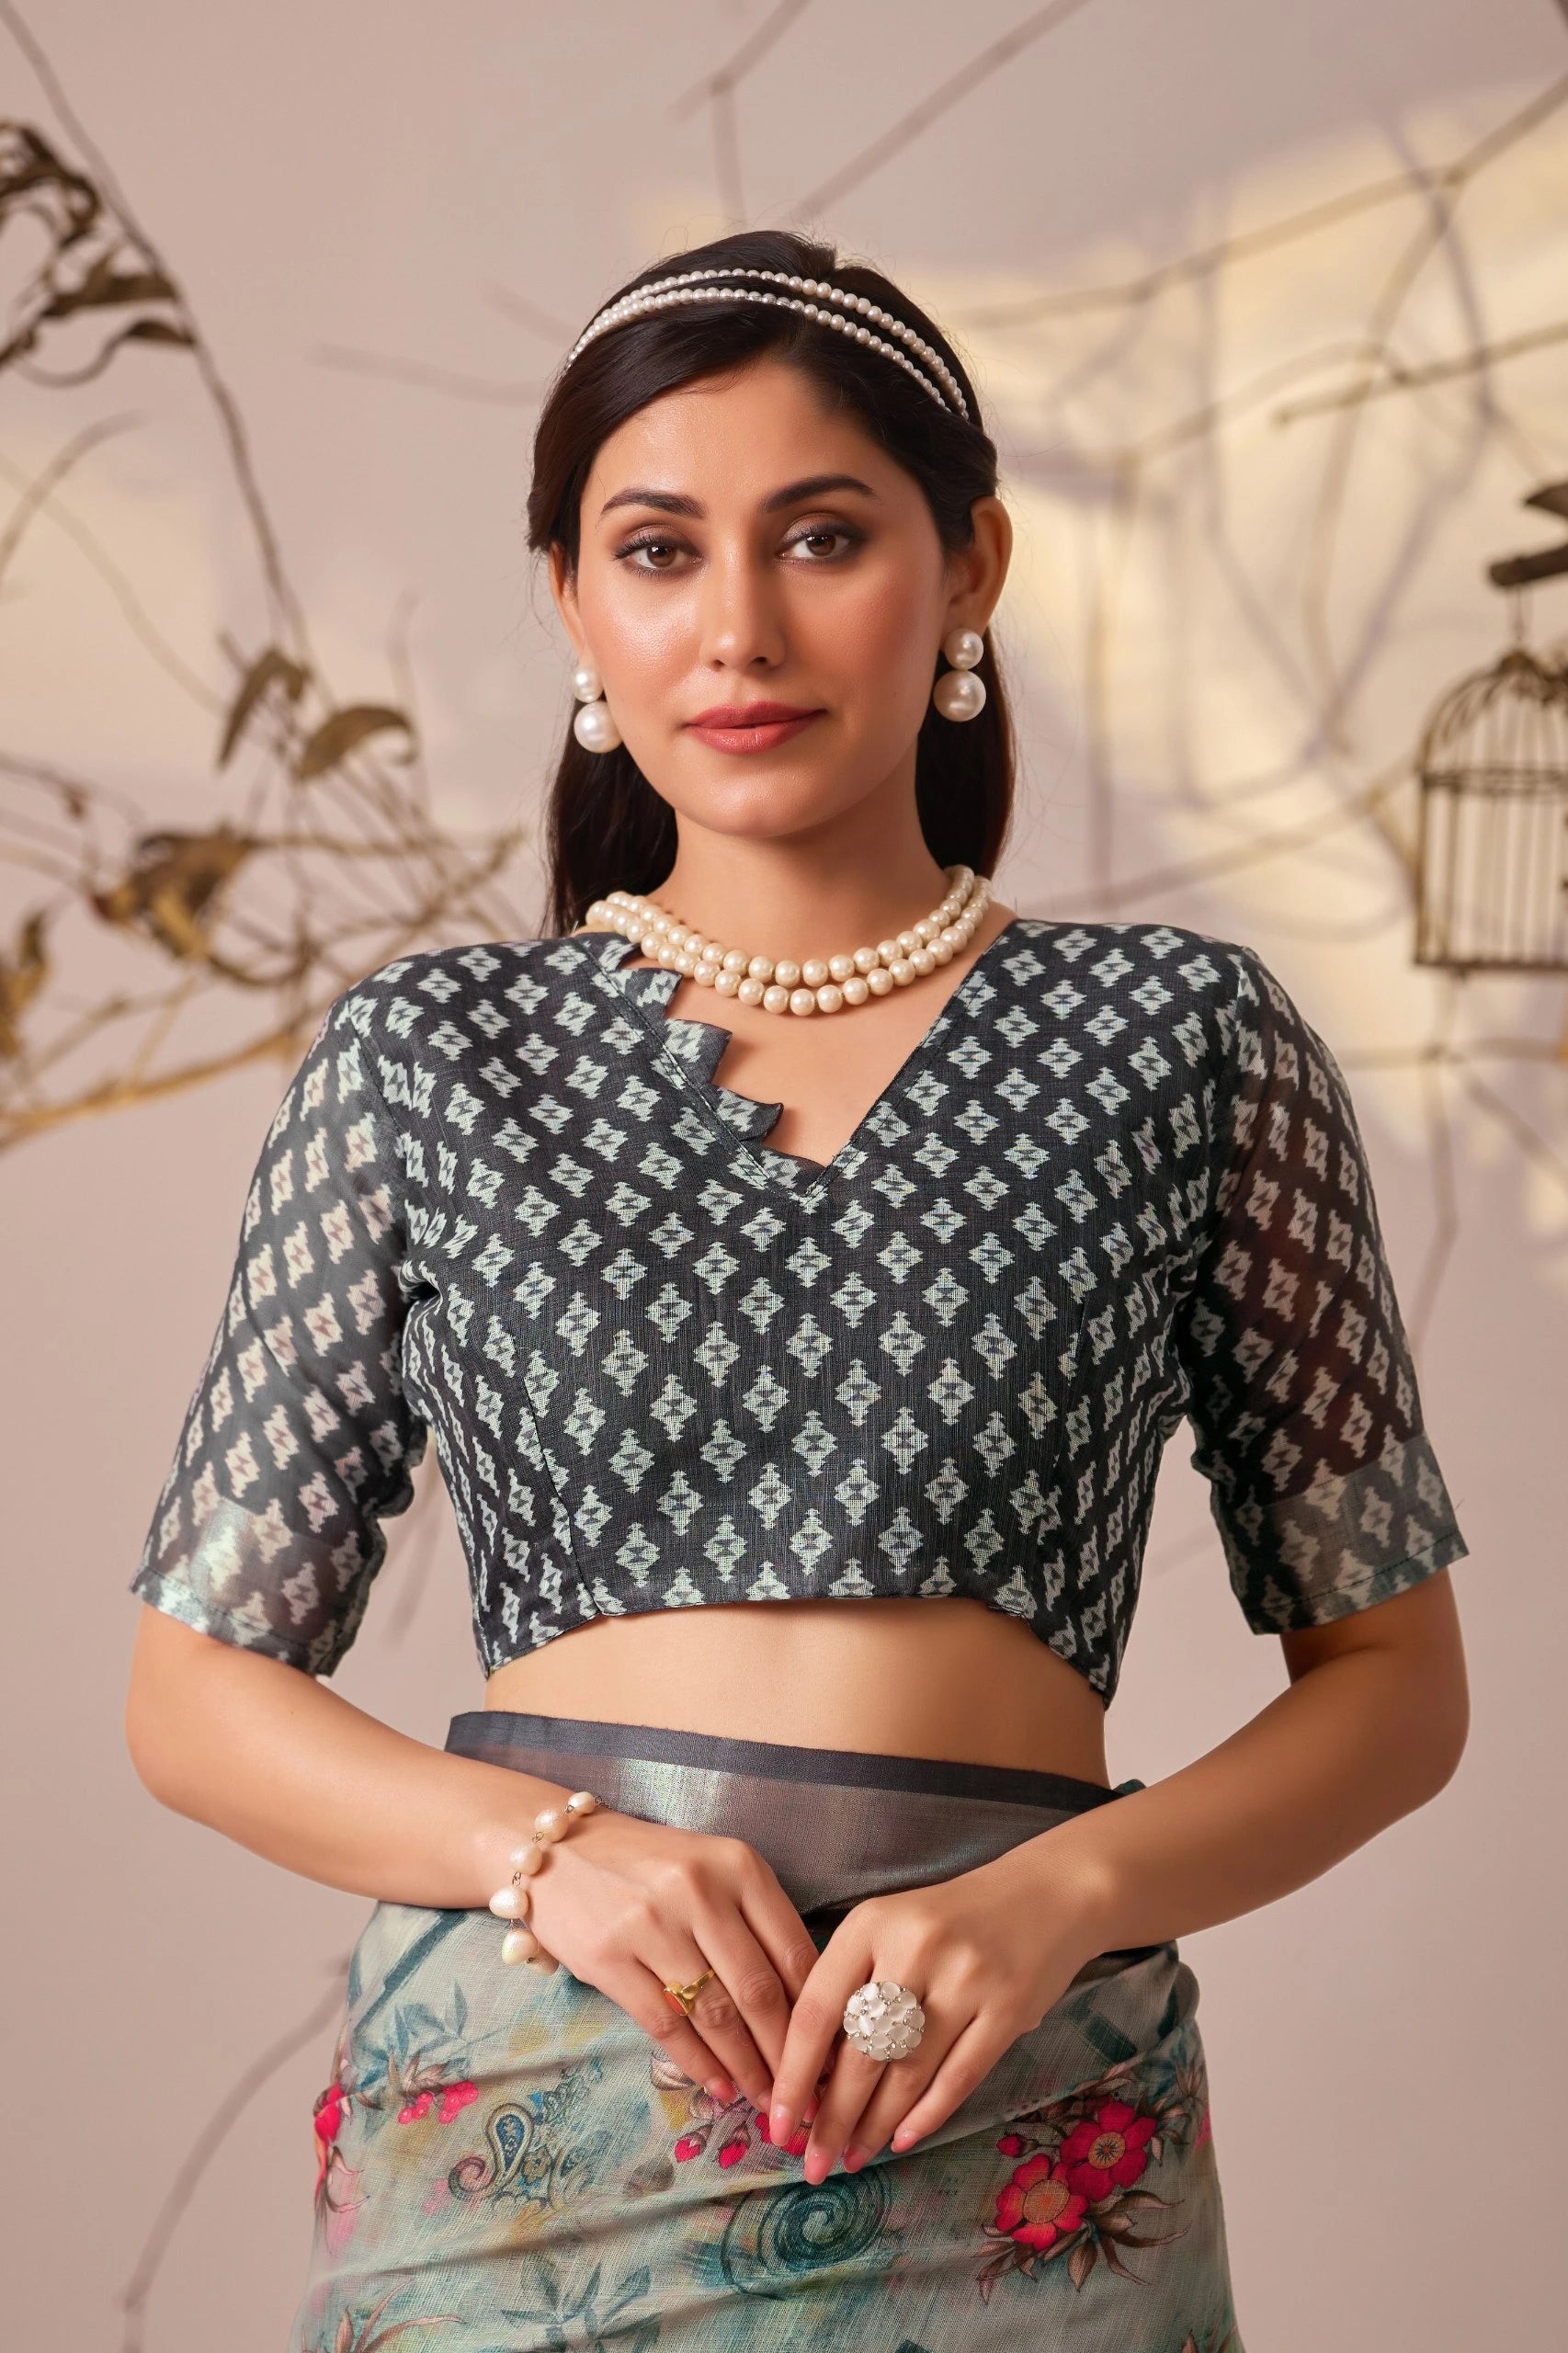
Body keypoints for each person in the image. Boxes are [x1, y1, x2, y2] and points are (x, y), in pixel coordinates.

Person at [124, 228, 1471, 2353]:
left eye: (821, 535)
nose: (735, 626)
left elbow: (1394, 1682)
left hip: (1020, 2127)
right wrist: (553, 1849)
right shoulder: (426, 1061)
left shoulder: (1182, 1042)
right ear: (571, 597)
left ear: (971, 566)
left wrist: (1063, 1892)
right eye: (656, 549)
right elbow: (192, 1692)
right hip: (526, 2130)